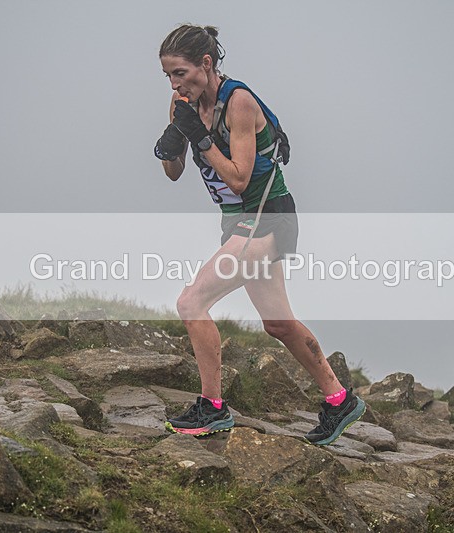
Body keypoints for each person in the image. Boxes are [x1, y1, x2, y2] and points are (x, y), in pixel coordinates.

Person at [153, 24, 365, 445]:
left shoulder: (240, 103)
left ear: (206, 64)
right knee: (278, 323)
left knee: (191, 301)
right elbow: (174, 172)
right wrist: (173, 140)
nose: (176, 84)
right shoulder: (183, 103)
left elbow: (239, 179)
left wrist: (197, 135)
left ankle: (212, 408)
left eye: (181, 73)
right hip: (239, 223)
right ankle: (339, 399)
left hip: (267, 217)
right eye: (169, 77)